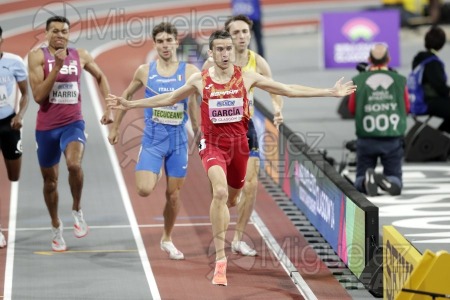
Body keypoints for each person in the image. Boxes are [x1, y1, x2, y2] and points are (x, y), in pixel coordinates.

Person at [106, 30, 356, 286]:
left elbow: (288, 89)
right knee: (220, 193)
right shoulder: (199, 80)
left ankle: (227, 215)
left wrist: (329, 91)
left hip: (239, 147)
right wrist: (131, 105)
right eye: (220, 49)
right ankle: (220, 261)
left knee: (234, 197)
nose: (226, 53)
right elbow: (169, 98)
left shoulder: (246, 77)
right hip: (212, 146)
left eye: (228, 49)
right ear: (211, 54)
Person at [108, 22, 200, 260]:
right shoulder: (145, 71)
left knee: (173, 195)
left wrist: (199, 133)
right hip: (153, 139)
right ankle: (154, 169)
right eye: (160, 41)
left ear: (176, 42)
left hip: (178, 140)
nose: (165, 45)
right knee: (144, 189)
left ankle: (167, 239)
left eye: (169, 40)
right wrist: (115, 126)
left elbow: (192, 104)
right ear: (155, 44)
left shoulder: (189, 72)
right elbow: (126, 97)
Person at [27, 16, 113, 252]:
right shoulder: (37, 57)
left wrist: (109, 107)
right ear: (46, 34)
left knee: (74, 165)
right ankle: (56, 226)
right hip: (46, 128)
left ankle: (77, 209)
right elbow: (37, 96)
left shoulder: (80, 55)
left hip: (73, 123)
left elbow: (101, 76)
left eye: (64, 31)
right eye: (55, 31)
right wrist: (56, 67)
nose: (60, 35)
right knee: (50, 181)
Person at [203, 14, 283, 257]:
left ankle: (238, 238)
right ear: (227, 36)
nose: (241, 37)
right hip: (218, 133)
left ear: (250, 34)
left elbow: (275, 90)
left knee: (251, 184)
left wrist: (278, 109)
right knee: (224, 195)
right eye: (236, 33)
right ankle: (220, 226)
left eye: (245, 32)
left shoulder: (257, 62)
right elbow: (199, 94)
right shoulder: (212, 64)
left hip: (245, 129)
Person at [348, 43, 409, 197]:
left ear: (369, 59)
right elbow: (407, 107)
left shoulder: (358, 80)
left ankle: (365, 181)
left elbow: (351, 108)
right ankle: (390, 181)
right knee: (396, 177)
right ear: (388, 59)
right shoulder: (399, 80)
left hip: (366, 138)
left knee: (359, 177)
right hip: (392, 138)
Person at [0, 25, 29, 248]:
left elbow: (26, 94)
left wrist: (20, 114)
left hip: (9, 125)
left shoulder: (14, 62)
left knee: (14, 176)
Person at [411, 26, 450, 133]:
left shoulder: (419, 59)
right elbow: (439, 86)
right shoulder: (432, 62)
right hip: (428, 101)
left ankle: (440, 138)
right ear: (441, 44)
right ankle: (440, 140)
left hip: (417, 100)